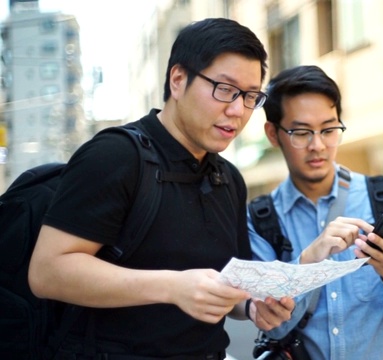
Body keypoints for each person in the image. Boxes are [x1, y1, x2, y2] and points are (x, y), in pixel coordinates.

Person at [28, 18, 294, 359]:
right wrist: (172, 287)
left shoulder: (228, 178)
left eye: (250, 96)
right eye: (225, 90)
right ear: (178, 80)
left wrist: (254, 306)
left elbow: (229, 287)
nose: (237, 110)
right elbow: (48, 271)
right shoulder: (115, 156)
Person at [248, 65, 383, 359]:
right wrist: (306, 264)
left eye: (329, 130)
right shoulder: (260, 220)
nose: (318, 145)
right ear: (273, 134)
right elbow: (273, 327)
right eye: (301, 132)